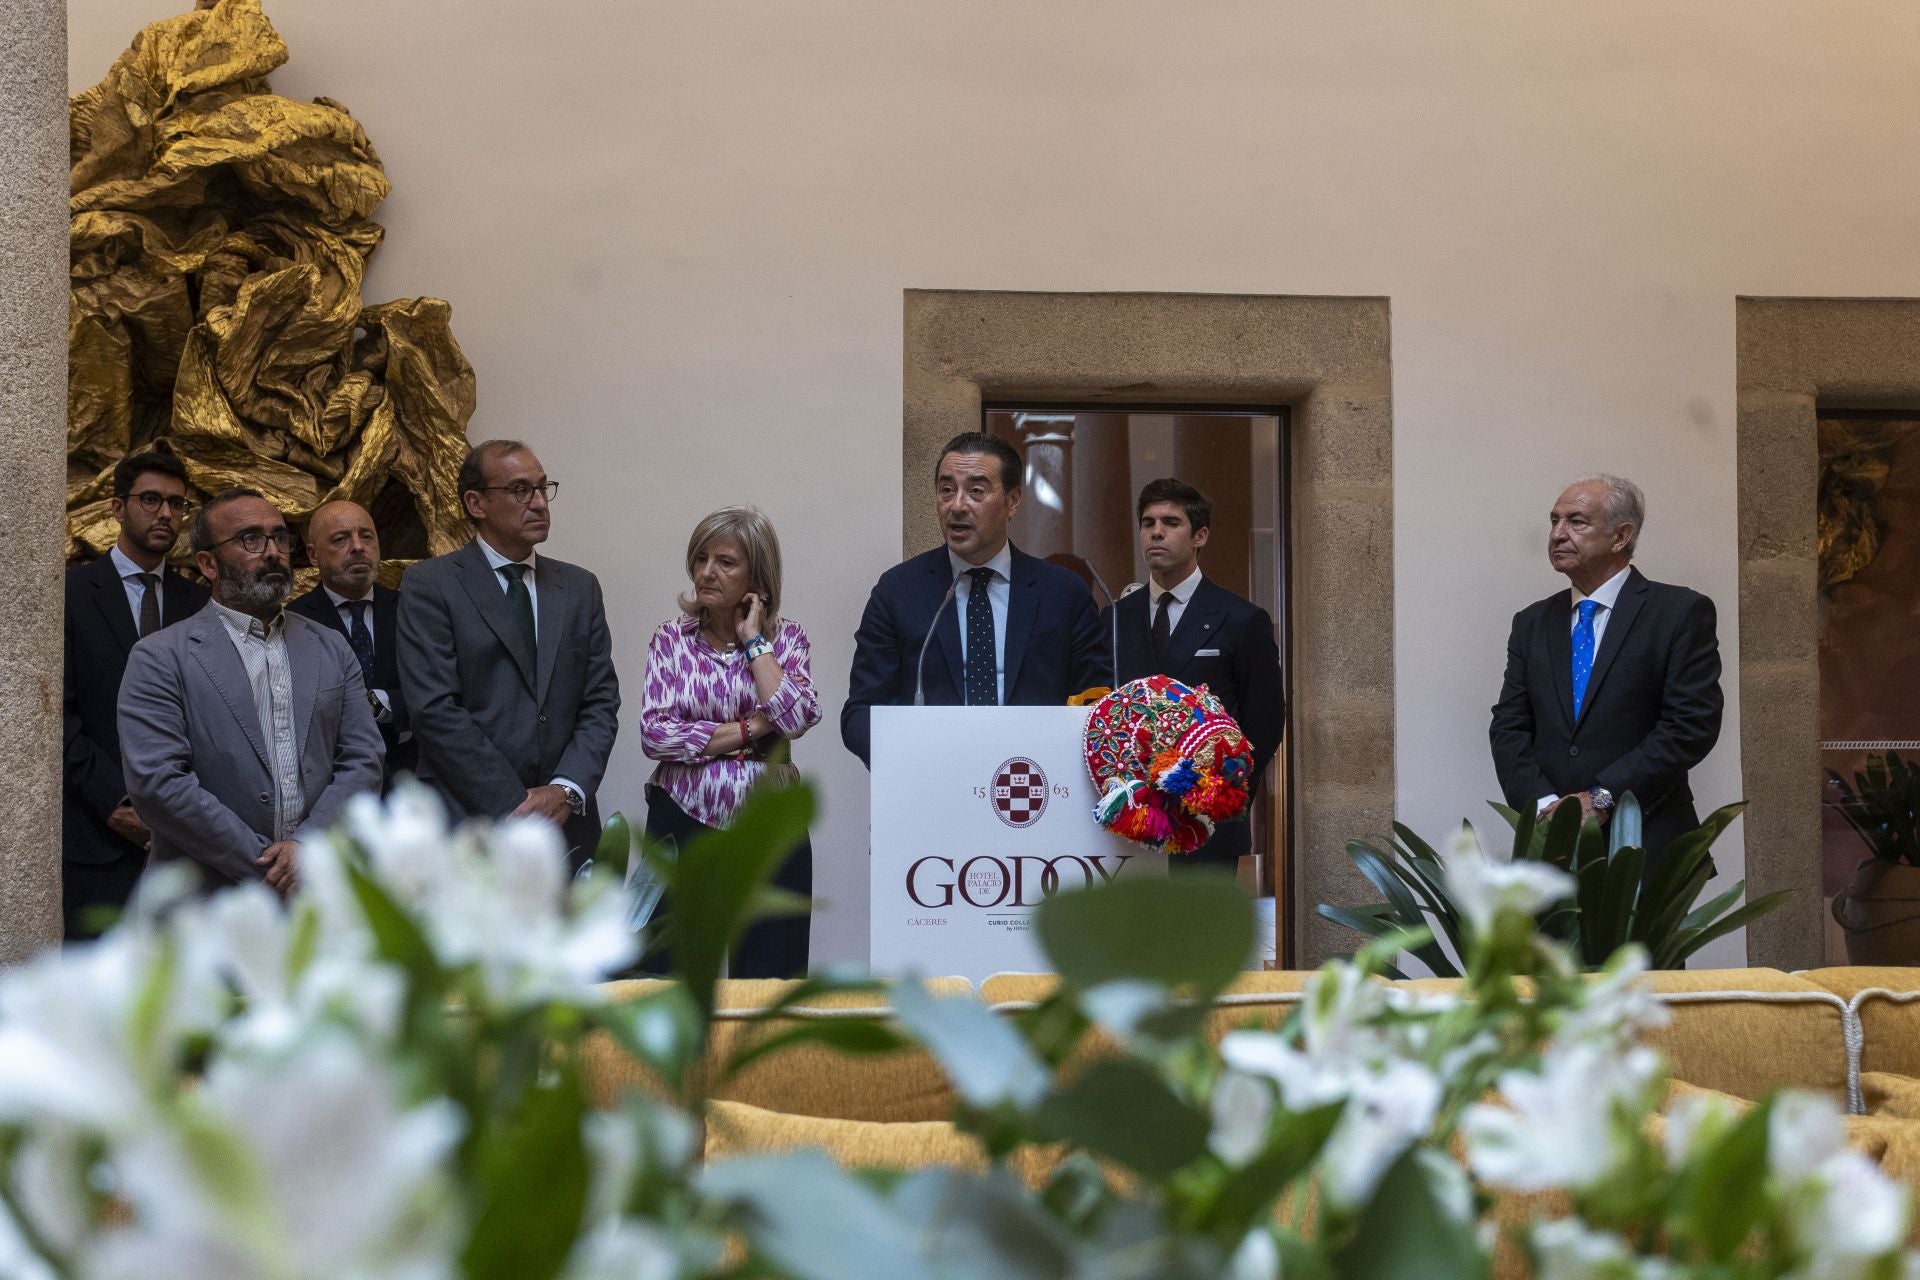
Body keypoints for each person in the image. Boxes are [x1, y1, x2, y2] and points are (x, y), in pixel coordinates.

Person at [118, 488, 384, 894]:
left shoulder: (330, 646)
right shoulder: (159, 657)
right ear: (208, 563)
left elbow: (364, 759)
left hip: (317, 894)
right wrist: (266, 868)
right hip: (204, 900)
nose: (273, 551)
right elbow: (159, 783)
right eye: (251, 540)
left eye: (280, 537)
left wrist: (306, 847)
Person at [397, 441, 621, 863]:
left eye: (542, 487)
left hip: (565, 825)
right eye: (521, 490)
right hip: (468, 822)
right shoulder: (431, 585)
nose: (539, 503)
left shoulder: (578, 587)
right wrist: (513, 802)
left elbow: (600, 702)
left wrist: (565, 790)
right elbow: (434, 709)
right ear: (476, 502)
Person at [1489, 473, 1723, 871]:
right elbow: (1509, 726)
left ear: (1620, 536)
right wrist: (1550, 810)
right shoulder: (1532, 622)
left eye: (1576, 522)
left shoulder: (1679, 612)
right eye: (1554, 521)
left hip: (1648, 845)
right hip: (1552, 848)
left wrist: (1602, 798)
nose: (1558, 534)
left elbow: (1690, 726)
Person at [841, 431, 1109, 766]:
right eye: (946, 489)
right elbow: (860, 712)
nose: (957, 505)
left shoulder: (1063, 594)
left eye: (976, 491)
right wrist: (907, 763)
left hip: (1033, 789)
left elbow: (1098, 706)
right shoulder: (898, 591)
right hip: (932, 781)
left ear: (1012, 501)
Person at [639, 506, 821, 976]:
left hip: (769, 828)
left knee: (769, 977)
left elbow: (797, 716)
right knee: (668, 975)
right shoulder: (670, 641)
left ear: (757, 576)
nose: (706, 572)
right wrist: (752, 729)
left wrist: (754, 641)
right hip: (681, 816)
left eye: (725, 562)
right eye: (700, 559)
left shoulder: (789, 639)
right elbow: (656, 733)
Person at [62, 451, 211, 937]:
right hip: (96, 834)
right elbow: (57, 715)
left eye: (176, 504)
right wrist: (117, 803)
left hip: (184, 839)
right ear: (117, 508)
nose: (166, 513)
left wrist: (179, 809)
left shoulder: (200, 603)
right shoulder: (72, 592)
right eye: (151, 500)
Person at [1105, 478, 1286, 874]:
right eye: (1148, 522)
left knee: (1199, 936)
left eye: (1171, 522)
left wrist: (1225, 795)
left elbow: (1266, 721)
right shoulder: (1116, 618)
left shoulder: (1241, 619)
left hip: (1206, 819)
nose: (1156, 531)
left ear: (1200, 535)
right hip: (1126, 820)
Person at [288, 499, 415, 792]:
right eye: (341, 539)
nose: (358, 547)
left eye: (366, 536)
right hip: (331, 786)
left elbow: (439, 687)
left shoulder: (411, 610)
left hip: (410, 782)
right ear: (313, 555)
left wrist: (384, 702)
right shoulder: (295, 620)